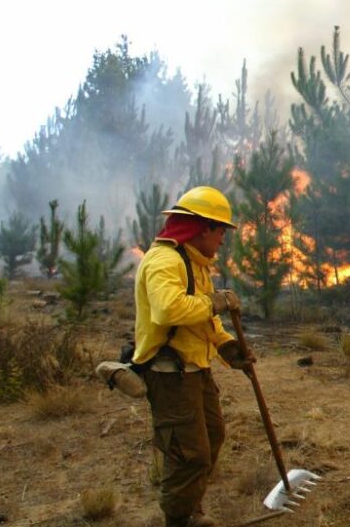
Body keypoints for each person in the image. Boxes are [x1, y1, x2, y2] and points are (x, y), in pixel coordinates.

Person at [133, 186, 253, 527]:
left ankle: (191, 506)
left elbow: (204, 318)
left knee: (213, 437)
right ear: (202, 228)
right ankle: (178, 518)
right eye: (220, 231)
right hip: (169, 373)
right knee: (189, 455)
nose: (222, 240)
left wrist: (227, 346)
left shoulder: (195, 264)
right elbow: (168, 311)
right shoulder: (164, 261)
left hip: (195, 369)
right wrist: (216, 301)